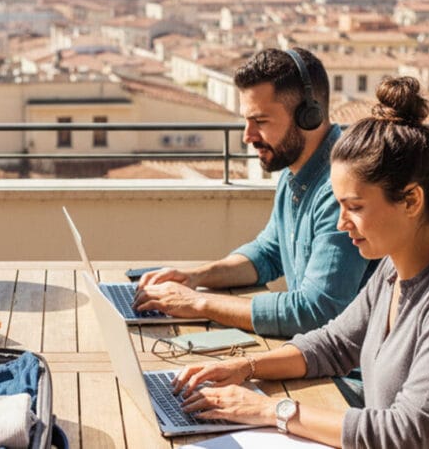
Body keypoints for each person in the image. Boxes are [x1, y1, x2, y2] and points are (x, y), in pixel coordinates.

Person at [170, 77, 429, 448]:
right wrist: (242, 369)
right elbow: (333, 345)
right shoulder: (395, 268)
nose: (341, 223)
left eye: (355, 207)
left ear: (411, 201)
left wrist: (272, 410)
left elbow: (406, 436)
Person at [133, 48, 376, 337]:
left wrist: (199, 303)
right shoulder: (293, 172)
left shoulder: (341, 190)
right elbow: (268, 253)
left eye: (260, 122)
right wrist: (194, 277)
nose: (248, 136)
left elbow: (314, 312)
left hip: (344, 374)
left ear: (308, 116)